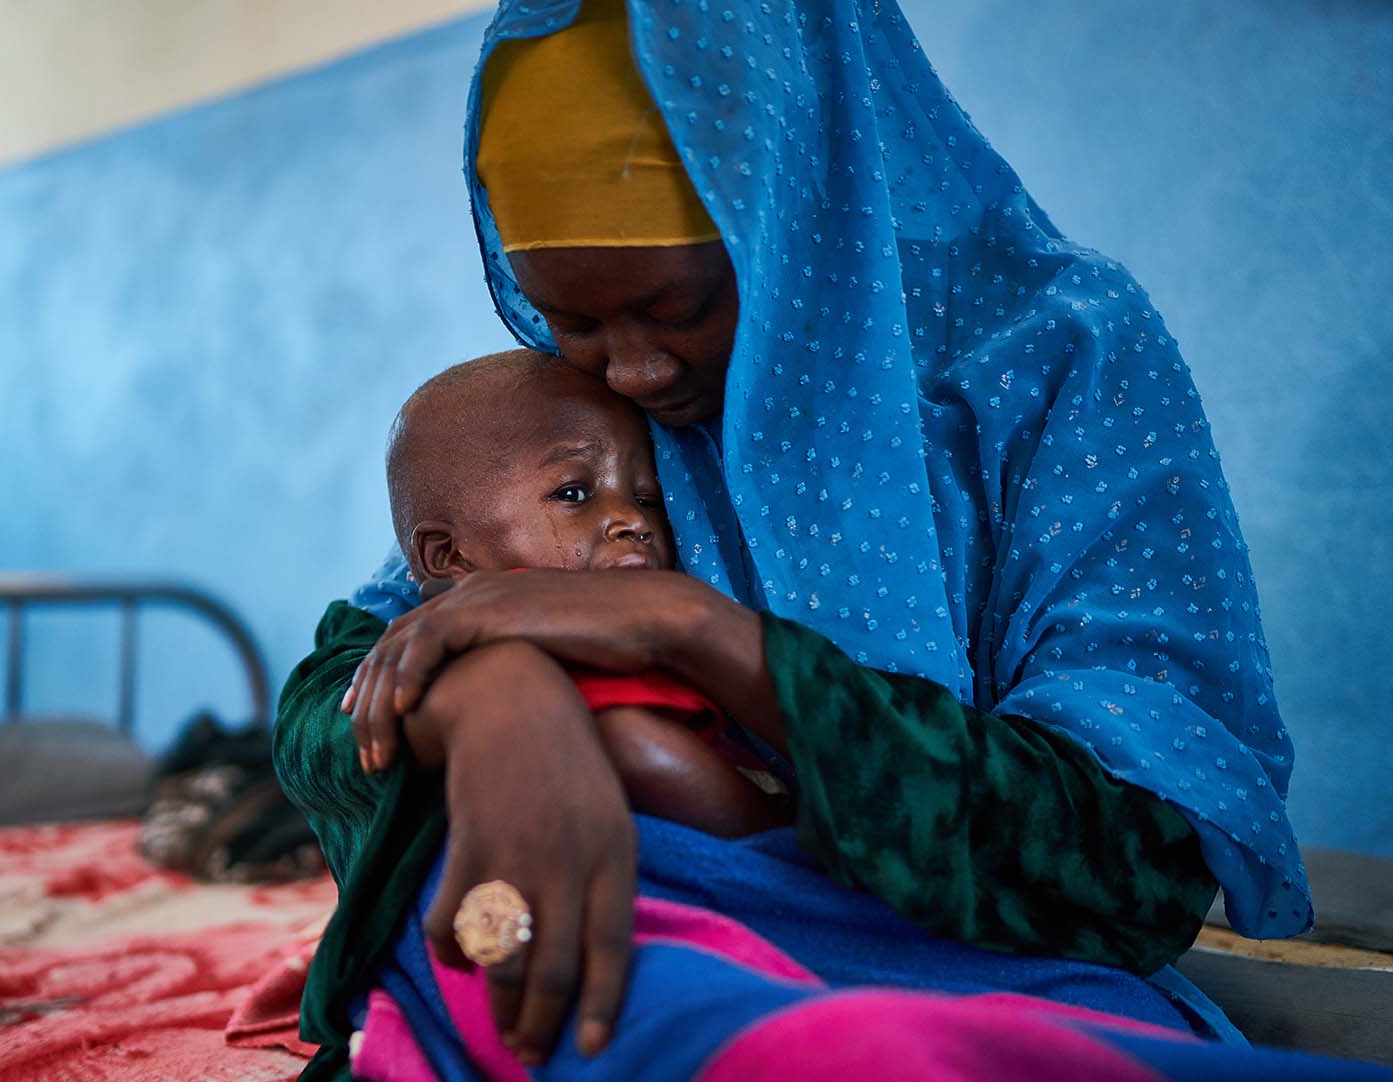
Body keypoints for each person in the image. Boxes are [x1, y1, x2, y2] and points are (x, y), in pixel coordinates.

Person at [274, 0, 1316, 1077]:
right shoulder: (597, 414)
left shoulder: (1060, 358)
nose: (630, 372)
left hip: (947, 943)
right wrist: (493, 706)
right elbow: (340, 692)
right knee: (492, 944)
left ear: (796, 201)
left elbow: (1131, 861)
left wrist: (699, 631)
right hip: (655, 913)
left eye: (677, 304)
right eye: (572, 323)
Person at [381, 348, 793, 839]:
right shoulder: (528, 629)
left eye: (647, 499)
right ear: (449, 556)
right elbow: (635, 749)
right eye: (573, 494)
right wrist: (782, 828)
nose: (634, 521)